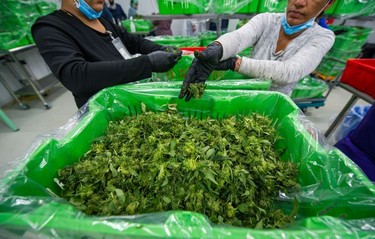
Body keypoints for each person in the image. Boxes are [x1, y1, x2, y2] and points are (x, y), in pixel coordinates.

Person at [31, 0, 182, 108]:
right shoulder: (49, 28)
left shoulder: (103, 21)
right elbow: (75, 75)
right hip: (103, 109)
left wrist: (160, 49)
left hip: (131, 100)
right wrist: (148, 63)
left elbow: (132, 42)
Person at [179, 0, 336, 101]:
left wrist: (235, 63)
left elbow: (290, 71)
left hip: (273, 104)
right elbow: (239, 37)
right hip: (243, 95)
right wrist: (218, 48)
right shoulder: (266, 20)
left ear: (328, 3)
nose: (299, 2)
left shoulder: (323, 36)